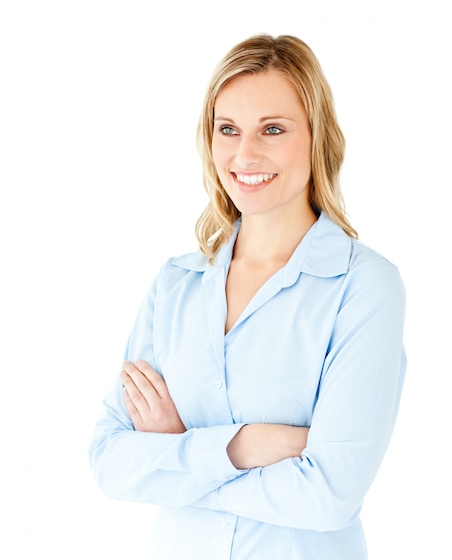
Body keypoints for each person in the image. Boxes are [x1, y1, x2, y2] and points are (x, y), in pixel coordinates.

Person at [88, 34, 406, 559]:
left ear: (316, 137)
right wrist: (241, 446)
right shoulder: (176, 285)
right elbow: (109, 460)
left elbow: (329, 496)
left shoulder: (364, 286)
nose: (244, 154)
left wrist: (177, 454)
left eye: (272, 129)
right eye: (228, 129)